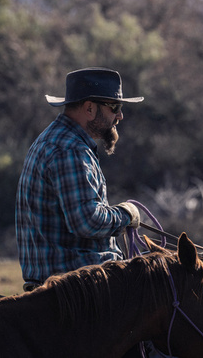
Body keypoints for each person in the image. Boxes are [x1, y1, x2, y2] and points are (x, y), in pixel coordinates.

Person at [15, 67, 143, 291]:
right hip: (75, 287)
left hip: (69, 281)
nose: (120, 116)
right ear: (90, 108)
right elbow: (87, 221)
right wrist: (126, 215)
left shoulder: (58, 140)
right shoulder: (69, 149)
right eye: (115, 107)